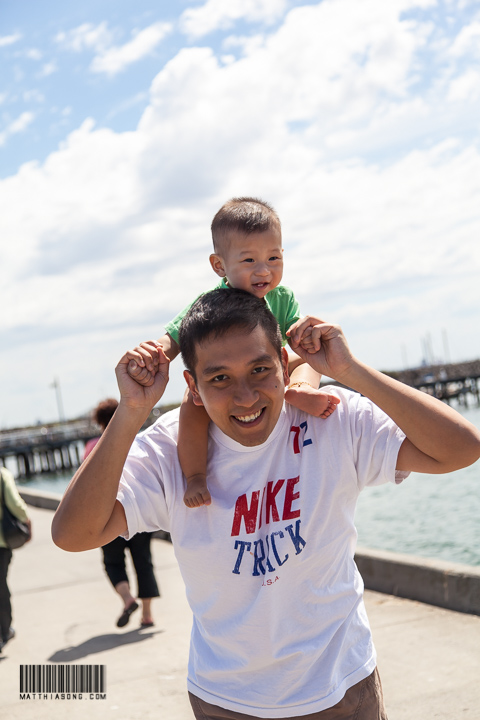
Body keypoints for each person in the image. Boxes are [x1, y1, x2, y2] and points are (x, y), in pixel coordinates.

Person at [52, 289, 480, 719]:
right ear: (192, 386)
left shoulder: (331, 418)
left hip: (342, 689)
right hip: (227, 700)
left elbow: (460, 449)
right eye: (219, 378)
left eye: (260, 369)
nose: (246, 397)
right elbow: (73, 534)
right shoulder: (170, 451)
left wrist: (351, 371)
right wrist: (131, 411)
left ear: (282, 360)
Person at [128, 197, 340, 508]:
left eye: (273, 258)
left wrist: (309, 333)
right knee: (192, 402)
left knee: (308, 357)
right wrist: (149, 358)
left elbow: (295, 336)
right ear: (219, 266)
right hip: (231, 378)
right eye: (249, 261)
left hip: (272, 371)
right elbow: (172, 339)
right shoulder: (211, 303)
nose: (263, 270)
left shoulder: (281, 297)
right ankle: (195, 475)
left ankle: (301, 389)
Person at [84, 398, 160, 628]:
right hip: (138, 510)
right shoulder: (136, 440)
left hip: (108, 516)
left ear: (100, 422)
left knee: (113, 562)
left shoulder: (92, 447)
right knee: (143, 562)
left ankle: (128, 599)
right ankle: (147, 615)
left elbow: (85, 485)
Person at [0, 466, 32, 653]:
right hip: (1, 543)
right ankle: (4, 631)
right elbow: (16, 505)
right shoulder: (2, 474)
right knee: (1, 587)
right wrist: (26, 520)